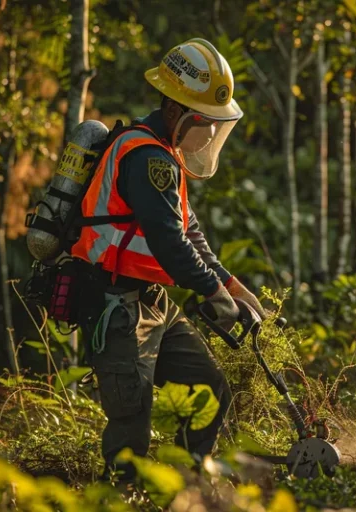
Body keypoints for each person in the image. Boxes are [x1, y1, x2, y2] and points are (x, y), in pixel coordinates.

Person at [70, 38, 267, 482]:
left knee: (208, 390)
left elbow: (189, 233)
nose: (212, 133)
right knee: (131, 422)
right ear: (177, 111)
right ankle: (123, 497)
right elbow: (168, 242)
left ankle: (188, 488)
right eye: (206, 122)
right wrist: (212, 292)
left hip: (152, 301)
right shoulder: (146, 158)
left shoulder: (166, 154)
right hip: (115, 304)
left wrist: (232, 286)